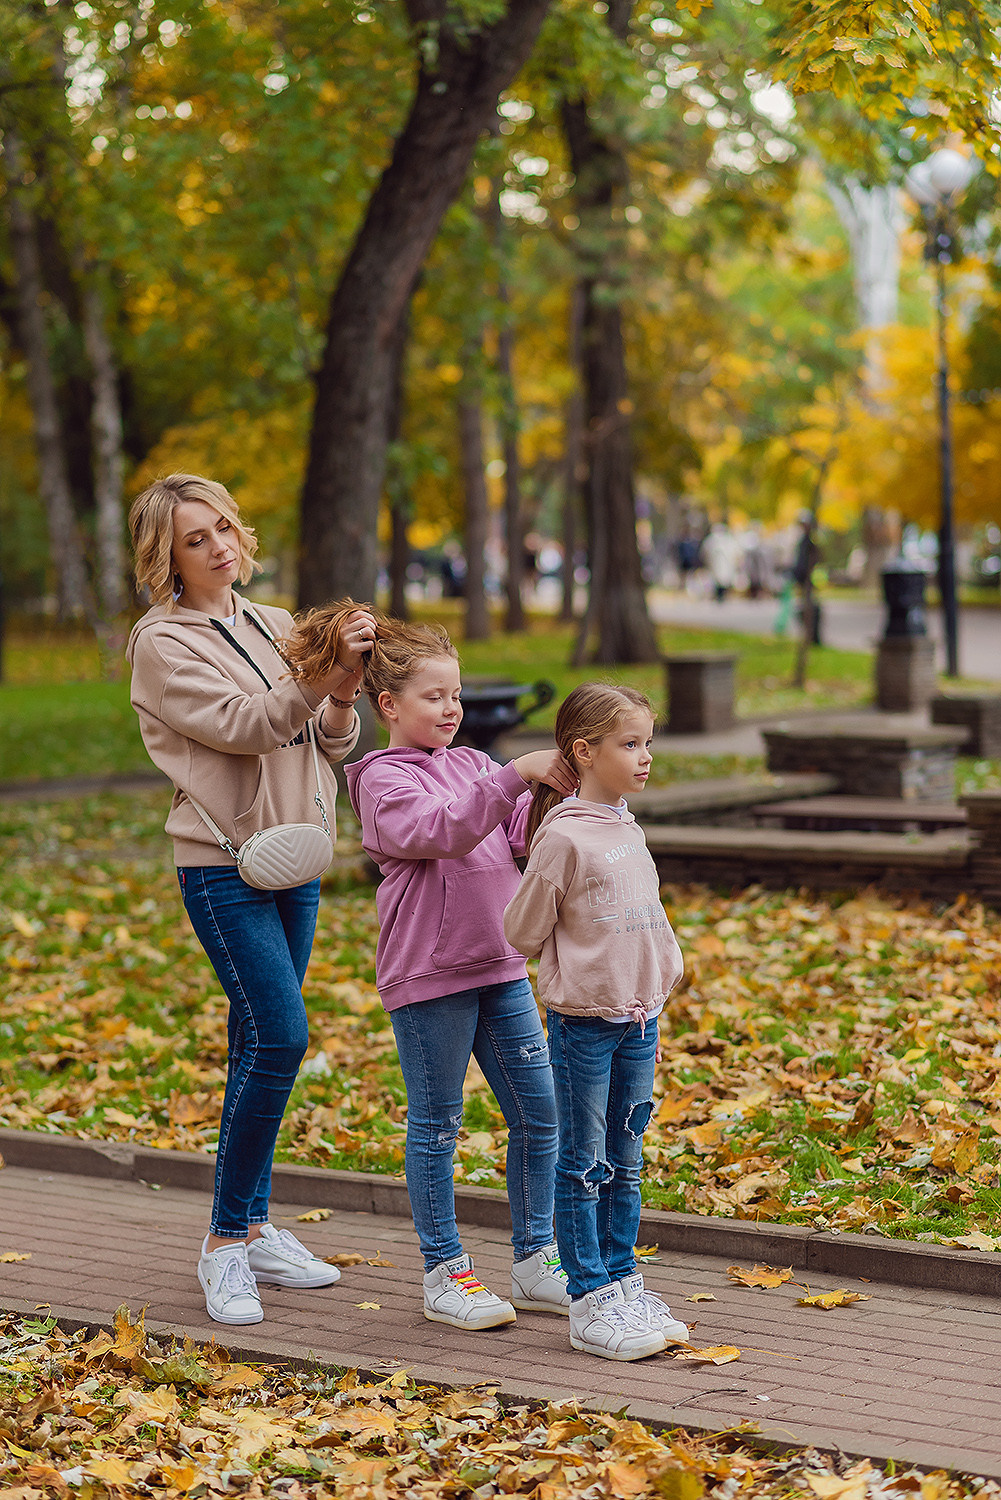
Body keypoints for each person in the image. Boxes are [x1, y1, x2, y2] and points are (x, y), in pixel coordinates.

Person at [126, 473, 376, 1328]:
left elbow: (327, 741)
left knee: (254, 1042)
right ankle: (224, 1245)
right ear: (168, 555)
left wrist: (343, 685)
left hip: (295, 853)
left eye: (225, 527)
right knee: (282, 1033)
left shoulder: (274, 624)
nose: (220, 546)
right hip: (222, 865)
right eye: (197, 538)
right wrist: (318, 678)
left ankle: (260, 1225)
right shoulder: (162, 642)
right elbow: (244, 723)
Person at [317, 608, 577, 1331]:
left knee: (540, 1112)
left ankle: (534, 1261)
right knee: (436, 1124)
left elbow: (521, 834)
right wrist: (511, 778)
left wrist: (567, 793)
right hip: (430, 977)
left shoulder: (471, 764)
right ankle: (444, 1272)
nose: (451, 709)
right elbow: (439, 830)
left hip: (500, 966)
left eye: (455, 695)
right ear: (389, 706)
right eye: (434, 697)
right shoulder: (377, 780)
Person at [503, 684, 691, 1362]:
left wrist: (663, 969)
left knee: (626, 1160)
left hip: (640, 1022)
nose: (644, 757)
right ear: (583, 752)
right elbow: (521, 929)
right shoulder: (565, 838)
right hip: (583, 1025)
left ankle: (620, 1279)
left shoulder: (626, 825)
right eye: (629, 744)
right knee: (583, 1163)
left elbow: (649, 913)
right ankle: (587, 1300)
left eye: (647, 742)